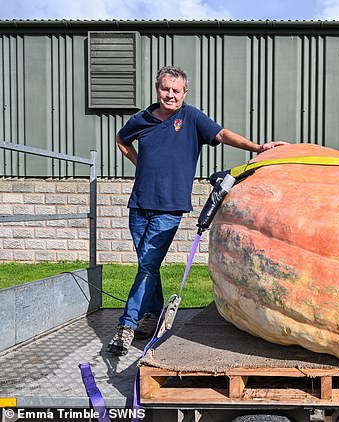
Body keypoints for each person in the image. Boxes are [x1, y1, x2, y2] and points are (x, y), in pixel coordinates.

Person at [107, 65, 287, 356]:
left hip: (169, 208)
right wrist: (140, 165)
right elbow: (121, 139)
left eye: (176, 91)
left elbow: (223, 134)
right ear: (157, 89)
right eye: (165, 89)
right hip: (138, 206)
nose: (170, 95)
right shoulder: (141, 119)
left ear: (184, 93)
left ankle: (126, 327)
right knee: (147, 267)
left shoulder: (190, 118)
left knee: (148, 266)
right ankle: (152, 316)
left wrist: (257, 147)